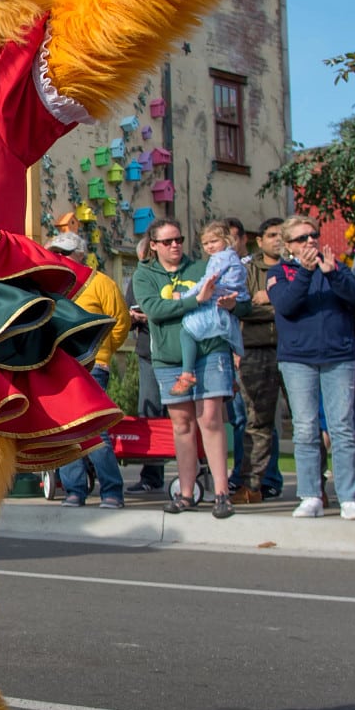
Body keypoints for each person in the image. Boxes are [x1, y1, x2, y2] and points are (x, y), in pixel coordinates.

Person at [137, 220, 239, 517]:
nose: (175, 245)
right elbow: (154, 310)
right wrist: (197, 300)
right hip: (169, 358)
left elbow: (233, 300)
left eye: (179, 239)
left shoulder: (200, 268)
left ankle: (222, 493)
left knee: (210, 419)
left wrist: (231, 305)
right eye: (167, 241)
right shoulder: (145, 274)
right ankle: (185, 492)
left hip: (209, 351)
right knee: (182, 425)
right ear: (153, 245)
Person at [269, 218, 355, 519]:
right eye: (301, 239)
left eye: (313, 236)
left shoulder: (336, 267)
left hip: (338, 355)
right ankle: (310, 494)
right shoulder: (279, 272)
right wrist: (306, 272)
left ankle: (349, 497)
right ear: (288, 246)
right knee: (305, 428)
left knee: (342, 427)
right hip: (298, 358)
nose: (310, 242)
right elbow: (286, 305)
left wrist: (334, 274)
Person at [49, 231, 130, 509]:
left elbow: (120, 322)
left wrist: (102, 350)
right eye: (55, 252)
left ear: (80, 255)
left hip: (94, 366)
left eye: (65, 253)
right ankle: (74, 490)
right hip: (57, 366)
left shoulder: (101, 283)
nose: (59, 258)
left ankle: (111, 491)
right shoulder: (50, 283)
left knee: (95, 430)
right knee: (65, 429)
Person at [230, 218, 286, 503]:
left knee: (307, 423)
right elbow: (242, 308)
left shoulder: (297, 268)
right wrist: (283, 305)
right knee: (256, 422)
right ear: (260, 241)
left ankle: (316, 489)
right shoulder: (247, 270)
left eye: (283, 234)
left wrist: (273, 299)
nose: (280, 239)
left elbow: (301, 304)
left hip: (294, 350)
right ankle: (251, 486)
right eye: (273, 234)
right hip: (256, 351)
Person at [169, 221, 246, 397]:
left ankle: (187, 373)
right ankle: (232, 379)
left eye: (214, 241)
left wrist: (187, 296)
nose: (210, 247)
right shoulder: (232, 257)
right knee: (225, 339)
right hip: (225, 302)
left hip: (215, 303)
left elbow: (207, 282)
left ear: (226, 239)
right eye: (206, 243)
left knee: (187, 330)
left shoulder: (220, 258)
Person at [125, 233, 167, 494]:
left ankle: (196, 471)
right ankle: (151, 474)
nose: (145, 264)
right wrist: (132, 317)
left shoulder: (168, 277)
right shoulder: (139, 278)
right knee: (149, 413)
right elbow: (125, 312)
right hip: (147, 353)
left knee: (180, 415)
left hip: (175, 353)